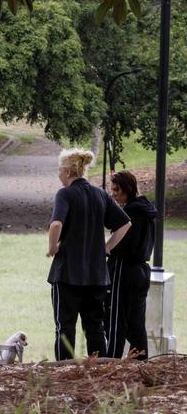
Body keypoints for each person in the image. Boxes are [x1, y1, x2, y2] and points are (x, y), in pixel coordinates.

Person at [47, 149, 131, 360]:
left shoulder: (64, 194)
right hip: (96, 275)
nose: (58, 174)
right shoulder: (100, 194)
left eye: (59, 170)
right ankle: (99, 370)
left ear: (67, 171)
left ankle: (65, 370)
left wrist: (52, 247)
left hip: (67, 274)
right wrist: (106, 246)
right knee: (95, 327)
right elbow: (125, 223)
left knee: (65, 326)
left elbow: (56, 223)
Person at [105, 170, 159, 359]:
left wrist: (107, 249)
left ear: (126, 189)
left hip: (124, 269)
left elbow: (121, 245)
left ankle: (110, 361)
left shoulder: (130, 213)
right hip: (142, 271)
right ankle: (140, 362)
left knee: (115, 320)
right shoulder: (147, 210)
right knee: (136, 323)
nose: (113, 194)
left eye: (116, 190)